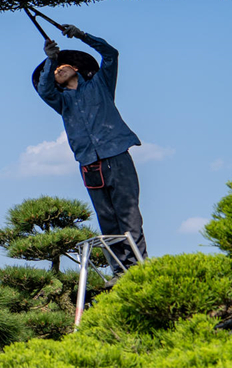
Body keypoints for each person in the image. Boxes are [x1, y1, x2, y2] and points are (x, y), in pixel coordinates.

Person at [35, 23, 148, 280]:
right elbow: (44, 91)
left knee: (129, 216)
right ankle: (120, 272)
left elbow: (111, 54)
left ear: (76, 69)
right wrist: (49, 59)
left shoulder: (100, 84)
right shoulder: (61, 101)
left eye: (63, 66)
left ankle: (140, 270)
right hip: (89, 164)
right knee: (107, 220)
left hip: (117, 155)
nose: (58, 69)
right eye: (55, 70)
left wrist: (82, 36)